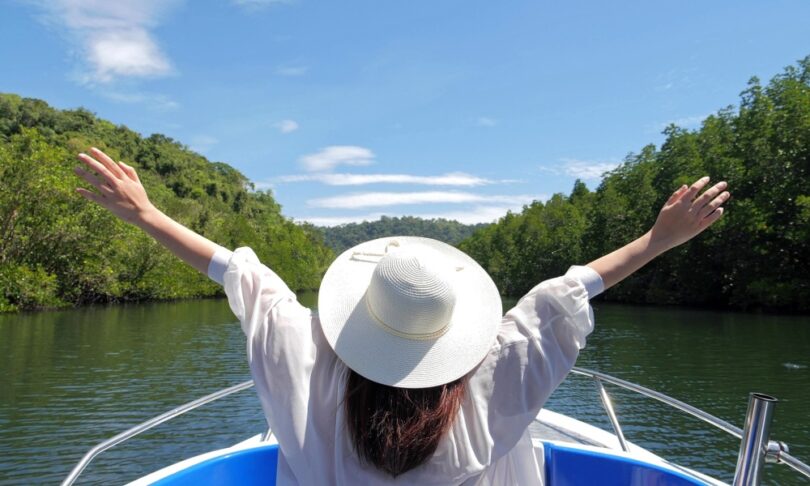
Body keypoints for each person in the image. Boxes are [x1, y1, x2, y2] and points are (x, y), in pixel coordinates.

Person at [74, 147, 730, 485]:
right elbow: (569, 289)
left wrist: (147, 214)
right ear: (455, 330)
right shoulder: (501, 377)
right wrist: (659, 240)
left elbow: (240, 274)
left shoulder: (305, 369)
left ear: (358, 317)